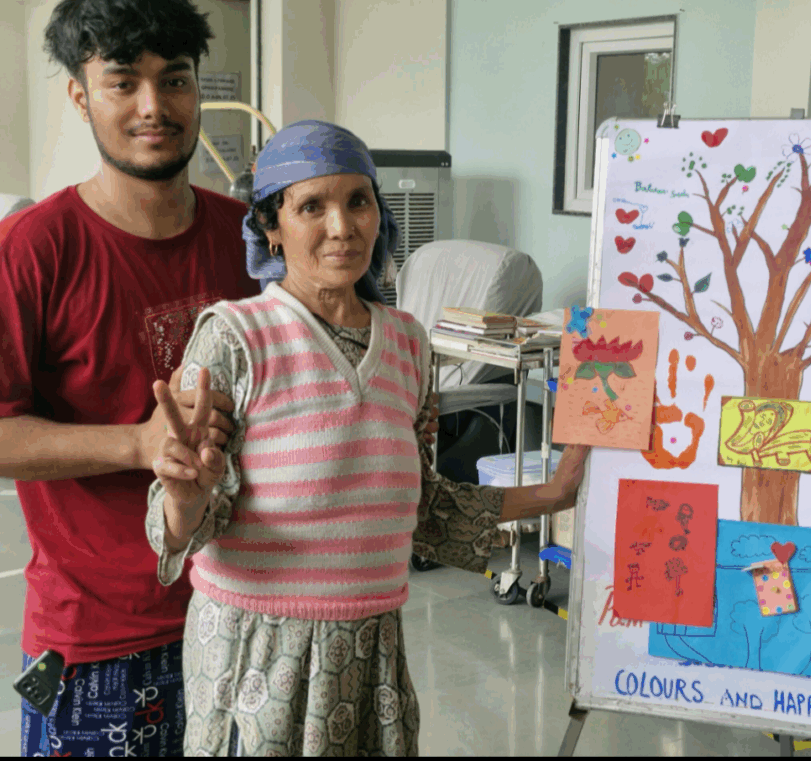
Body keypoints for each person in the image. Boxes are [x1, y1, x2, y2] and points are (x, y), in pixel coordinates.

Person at [144, 119, 590, 756]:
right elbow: (182, 524)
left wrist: (555, 494)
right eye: (311, 207)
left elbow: (420, 510)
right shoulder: (235, 339)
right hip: (259, 658)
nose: (341, 226)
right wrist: (183, 501)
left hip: (371, 657)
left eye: (358, 201)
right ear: (270, 227)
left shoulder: (408, 344)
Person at [2, 1, 262, 756]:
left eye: (173, 79)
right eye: (123, 82)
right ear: (80, 96)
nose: (154, 106)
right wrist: (139, 444)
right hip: (98, 647)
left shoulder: (248, 240)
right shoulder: (32, 250)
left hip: (248, 618)